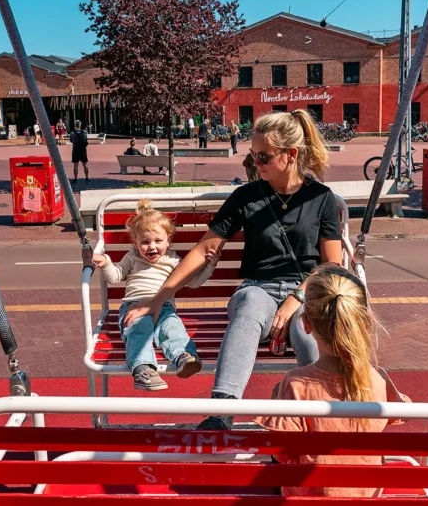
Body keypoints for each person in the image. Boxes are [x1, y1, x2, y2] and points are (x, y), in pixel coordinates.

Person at [122, 109, 342, 427]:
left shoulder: (320, 199)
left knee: (308, 331)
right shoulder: (246, 197)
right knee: (250, 304)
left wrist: (295, 298)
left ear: (291, 154)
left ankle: (323, 418)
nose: (256, 164)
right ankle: (222, 410)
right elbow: (206, 248)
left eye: (264, 157)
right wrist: (159, 298)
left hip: (306, 291)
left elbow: (332, 265)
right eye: (253, 157)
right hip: (258, 289)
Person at [255, 263, 411, 506]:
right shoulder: (377, 379)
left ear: (305, 324)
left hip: (310, 503)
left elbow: (282, 455)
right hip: (366, 497)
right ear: (361, 321)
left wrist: (275, 402)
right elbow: (399, 414)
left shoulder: (296, 384)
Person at [92, 200, 219, 391]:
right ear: (135, 243)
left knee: (172, 327)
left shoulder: (173, 260)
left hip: (164, 307)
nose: (152, 247)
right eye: (145, 242)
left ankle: (184, 356)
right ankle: (143, 369)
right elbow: (116, 277)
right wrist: (106, 262)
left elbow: (192, 282)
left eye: (158, 241)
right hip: (134, 307)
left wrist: (209, 266)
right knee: (138, 328)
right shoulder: (132, 256)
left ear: (168, 240)